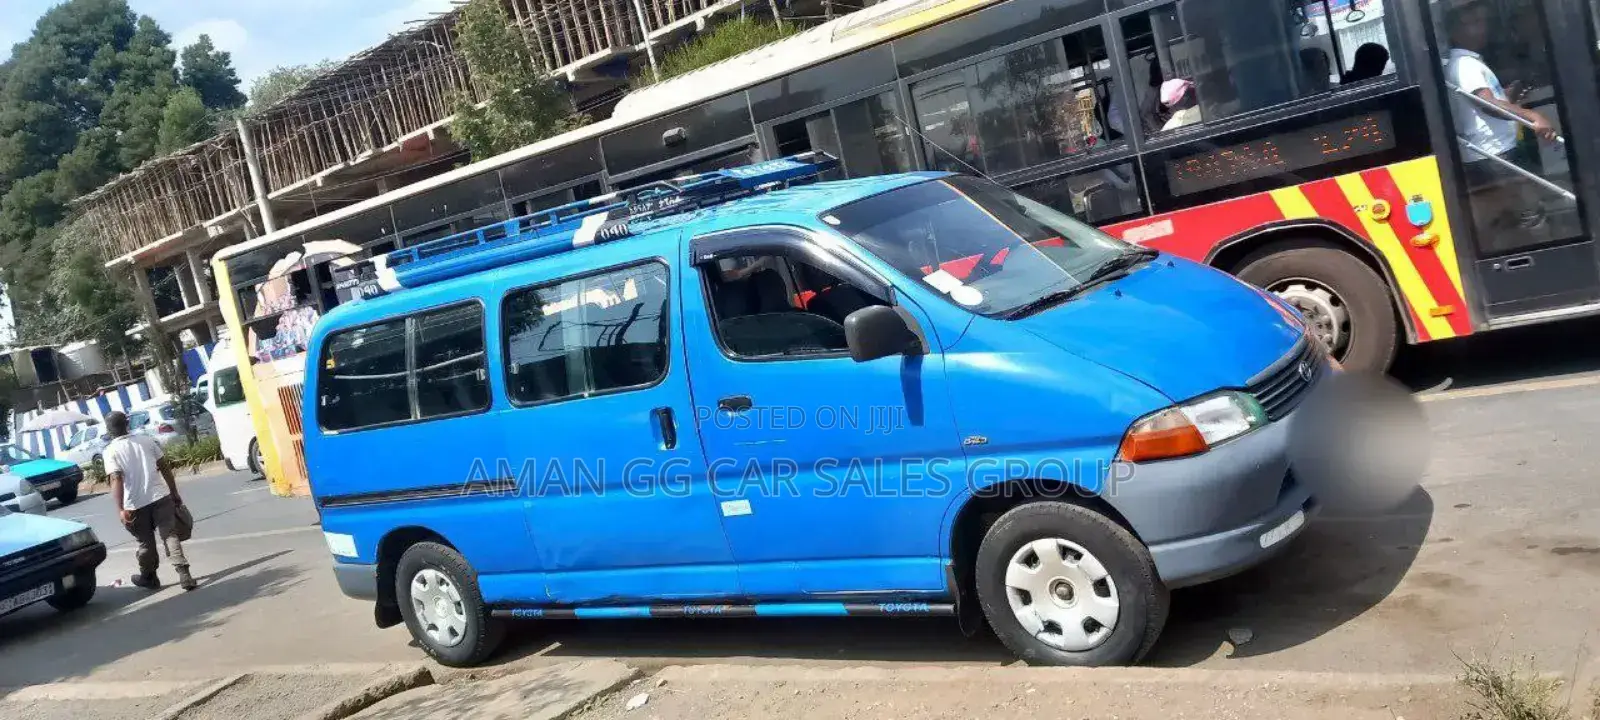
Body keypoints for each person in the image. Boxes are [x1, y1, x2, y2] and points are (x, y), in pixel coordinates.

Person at [1445, 0, 1556, 232]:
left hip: (1492, 151)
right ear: (1455, 31)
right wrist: (1531, 115)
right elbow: (1487, 104)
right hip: (1495, 153)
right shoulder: (1465, 64)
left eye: (1483, 21)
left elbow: (1491, 100)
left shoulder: (1469, 62)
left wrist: (1510, 93)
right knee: (1531, 214)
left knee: (1508, 217)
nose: (1482, 27)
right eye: (1473, 23)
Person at [104, 411, 196, 591]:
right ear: (127, 424)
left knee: (145, 543)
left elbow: (116, 479)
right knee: (170, 535)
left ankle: (148, 576)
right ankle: (184, 574)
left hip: (135, 505)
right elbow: (164, 466)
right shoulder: (146, 440)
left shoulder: (110, 451)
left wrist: (120, 509)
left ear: (108, 430)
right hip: (160, 497)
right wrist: (174, 491)